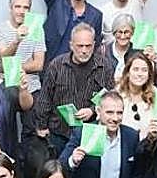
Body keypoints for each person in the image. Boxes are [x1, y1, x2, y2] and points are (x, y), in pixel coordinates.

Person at [35, 23, 117, 157]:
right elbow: (45, 97)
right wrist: (42, 126)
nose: (84, 50)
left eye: (88, 46)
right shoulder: (57, 65)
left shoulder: (104, 66)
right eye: (80, 46)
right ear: (71, 45)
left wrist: (92, 109)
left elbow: (109, 97)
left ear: (94, 44)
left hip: (90, 132)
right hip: (59, 132)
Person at [0, 0, 47, 104]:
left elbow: (38, 65)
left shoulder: (36, 29)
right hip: (6, 86)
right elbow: (3, 57)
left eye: (25, 7)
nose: (21, 11)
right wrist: (17, 40)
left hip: (31, 86)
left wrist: (11, 68)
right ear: (10, 8)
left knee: (34, 119)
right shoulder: (0, 30)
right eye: (17, 7)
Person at [117, 51, 157, 136]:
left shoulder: (156, 95)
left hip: (148, 146)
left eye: (144, 70)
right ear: (128, 72)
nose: (140, 74)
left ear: (149, 74)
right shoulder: (117, 94)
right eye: (135, 69)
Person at [104, 14, 136, 81]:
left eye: (126, 32)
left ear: (132, 32)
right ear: (114, 32)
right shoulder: (103, 52)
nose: (123, 36)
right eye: (120, 32)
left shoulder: (137, 52)